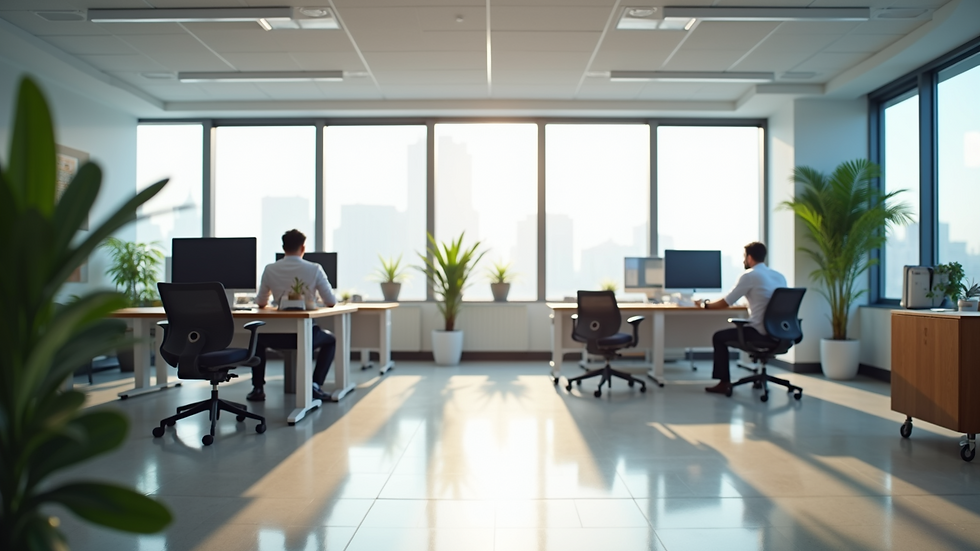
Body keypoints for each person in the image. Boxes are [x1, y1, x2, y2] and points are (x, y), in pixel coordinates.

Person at [248, 229, 337, 403]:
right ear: (303, 247)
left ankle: (258, 388)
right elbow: (331, 301)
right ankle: (315, 385)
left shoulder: (270, 269)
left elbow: (260, 302)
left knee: (257, 338)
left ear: (283, 247)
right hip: (306, 335)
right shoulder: (314, 269)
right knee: (331, 340)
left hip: (274, 336)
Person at [696, 242, 787, 395]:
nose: (744, 261)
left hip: (759, 332)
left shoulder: (749, 276)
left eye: (745, 257)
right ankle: (753, 377)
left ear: (749, 257)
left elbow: (726, 302)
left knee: (718, 337)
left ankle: (723, 382)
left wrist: (705, 305)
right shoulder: (779, 276)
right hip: (781, 332)